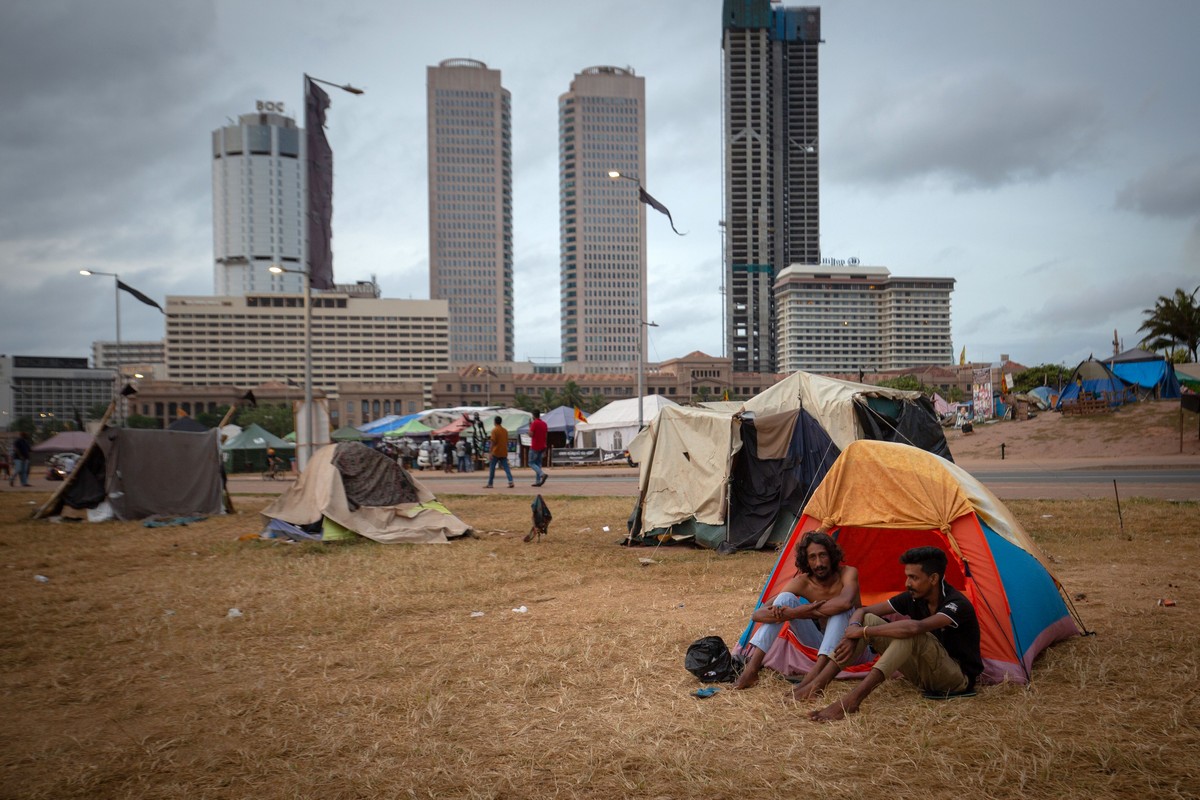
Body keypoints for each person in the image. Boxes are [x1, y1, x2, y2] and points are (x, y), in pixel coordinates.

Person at [809, 545, 982, 723]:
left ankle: (853, 700)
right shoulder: (913, 597)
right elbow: (862, 612)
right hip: (922, 674)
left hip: (955, 680)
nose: (907, 583)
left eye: (913, 578)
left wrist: (863, 632)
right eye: (907, 577)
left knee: (910, 633)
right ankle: (818, 684)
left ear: (933, 578)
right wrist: (854, 630)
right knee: (869, 618)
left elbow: (915, 628)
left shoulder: (957, 603)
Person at [733, 531, 867, 698]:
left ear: (832, 555)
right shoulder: (804, 582)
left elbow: (845, 603)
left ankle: (812, 679)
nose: (819, 563)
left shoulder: (848, 573)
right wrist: (798, 612)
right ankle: (752, 669)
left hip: (853, 648)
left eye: (823, 555)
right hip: (821, 646)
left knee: (840, 611)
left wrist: (798, 613)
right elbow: (757, 615)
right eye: (812, 557)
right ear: (806, 561)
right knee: (785, 598)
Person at [484, 415, 514, 488]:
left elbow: (493, 441)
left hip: (496, 452)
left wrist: (490, 452)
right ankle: (511, 481)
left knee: (492, 468)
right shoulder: (505, 430)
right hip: (503, 451)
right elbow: (507, 442)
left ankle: (490, 483)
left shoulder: (494, 430)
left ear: (495, 422)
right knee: (506, 467)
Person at [528, 409, 549, 487]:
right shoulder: (544, 424)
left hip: (535, 446)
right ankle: (538, 481)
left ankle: (542, 474)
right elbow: (546, 436)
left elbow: (530, 434)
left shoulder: (534, 423)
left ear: (533, 416)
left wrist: (530, 427)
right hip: (542, 446)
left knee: (531, 463)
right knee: (538, 463)